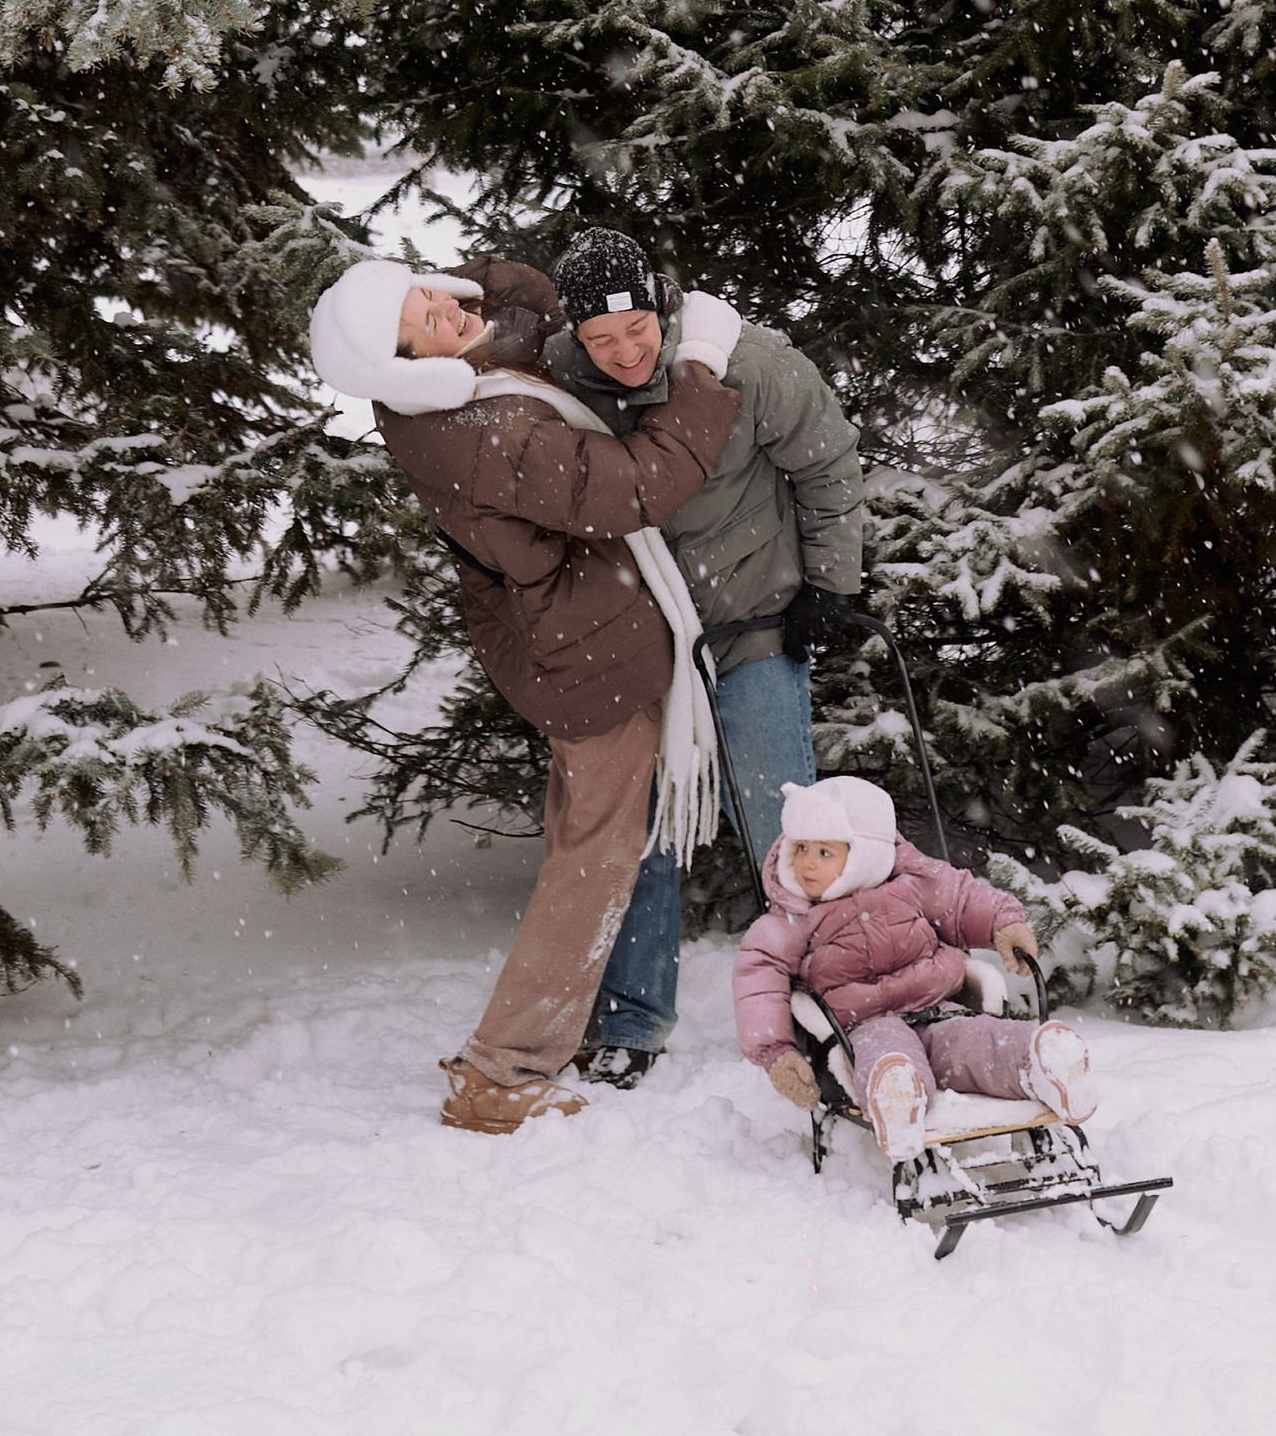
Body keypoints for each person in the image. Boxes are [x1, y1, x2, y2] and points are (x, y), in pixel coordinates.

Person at [309, 248, 743, 1135]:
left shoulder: (451, 389)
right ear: (396, 366)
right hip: (590, 657)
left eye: (428, 296)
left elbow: (520, 298)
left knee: (583, 849)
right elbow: (636, 485)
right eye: (416, 325)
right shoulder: (487, 428)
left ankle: (544, 1036)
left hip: (568, 642)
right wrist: (698, 365)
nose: (444, 315)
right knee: (592, 862)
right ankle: (502, 1074)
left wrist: (450, 283)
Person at [544, 226, 866, 1084]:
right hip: (641, 644)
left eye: (636, 330)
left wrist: (829, 586)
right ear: (575, 337)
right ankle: (631, 1020)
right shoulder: (559, 389)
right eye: (599, 339)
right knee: (639, 829)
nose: (621, 352)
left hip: (756, 622)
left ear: (663, 306)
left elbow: (828, 464)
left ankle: (828, 1003)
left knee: (788, 825)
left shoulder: (748, 364)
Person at [734, 776, 1090, 1164]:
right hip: (862, 1026)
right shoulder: (792, 916)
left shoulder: (910, 881)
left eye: (824, 852)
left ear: (865, 854)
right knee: (888, 1054)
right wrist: (776, 1053)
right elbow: (759, 977)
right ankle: (898, 1100)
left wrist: (1004, 924)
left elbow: (962, 897)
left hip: (939, 1010)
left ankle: (1042, 1065)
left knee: (978, 1040)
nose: (806, 863)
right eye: (800, 847)